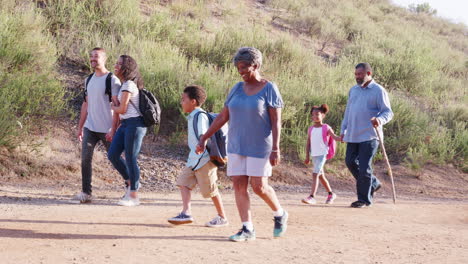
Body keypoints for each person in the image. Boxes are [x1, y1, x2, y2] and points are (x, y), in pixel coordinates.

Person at [196, 47, 288, 242]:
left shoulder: (269, 88)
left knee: (259, 187)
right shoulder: (237, 88)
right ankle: (247, 229)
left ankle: (280, 214)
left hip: (260, 146)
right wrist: (205, 137)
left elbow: (276, 121)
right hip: (236, 144)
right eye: (238, 68)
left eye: (245, 67)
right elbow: (223, 116)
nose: (241, 72)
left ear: (256, 65)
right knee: (239, 185)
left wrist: (276, 148)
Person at [167, 85, 228, 227]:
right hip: (194, 159)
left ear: (193, 101)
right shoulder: (193, 116)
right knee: (183, 182)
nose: (181, 102)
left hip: (204, 160)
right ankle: (186, 213)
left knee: (211, 190)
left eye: (183, 99)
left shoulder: (200, 115)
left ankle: (222, 217)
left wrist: (201, 143)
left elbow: (203, 133)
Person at [340, 62, 393, 208]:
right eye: (356, 74)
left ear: (369, 74)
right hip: (353, 134)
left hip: (369, 136)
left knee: (364, 167)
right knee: (350, 162)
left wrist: (379, 120)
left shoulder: (378, 90)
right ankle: (373, 183)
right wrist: (343, 130)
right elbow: (348, 112)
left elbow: (388, 112)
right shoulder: (353, 90)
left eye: (360, 74)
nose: (357, 77)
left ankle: (363, 199)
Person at [75, 47, 121, 203]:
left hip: (107, 128)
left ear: (104, 59)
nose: (93, 59)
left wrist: (114, 128)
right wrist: (80, 127)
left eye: (96, 56)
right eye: (91, 56)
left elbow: (117, 107)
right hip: (90, 127)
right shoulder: (88, 80)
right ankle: (86, 193)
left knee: (115, 158)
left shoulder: (112, 80)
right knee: (85, 159)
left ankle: (131, 186)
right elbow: (85, 105)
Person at [107, 55, 147, 206]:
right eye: (116, 63)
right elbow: (121, 111)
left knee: (130, 158)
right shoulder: (124, 84)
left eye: (119, 64)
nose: (115, 66)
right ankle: (131, 183)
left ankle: (134, 196)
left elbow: (122, 109)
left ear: (126, 67)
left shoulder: (129, 85)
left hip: (135, 124)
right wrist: (113, 129)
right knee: (112, 154)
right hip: (125, 124)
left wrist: (113, 106)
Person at [302, 104, 341, 205]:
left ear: (323, 115)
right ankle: (331, 194)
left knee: (315, 174)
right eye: (313, 114)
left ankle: (312, 197)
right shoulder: (311, 129)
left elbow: (335, 137)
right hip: (314, 155)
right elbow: (308, 143)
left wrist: (342, 138)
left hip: (322, 154)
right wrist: (307, 156)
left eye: (317, 114)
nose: (315, 116)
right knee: (320, 176)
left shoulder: (326, 127)